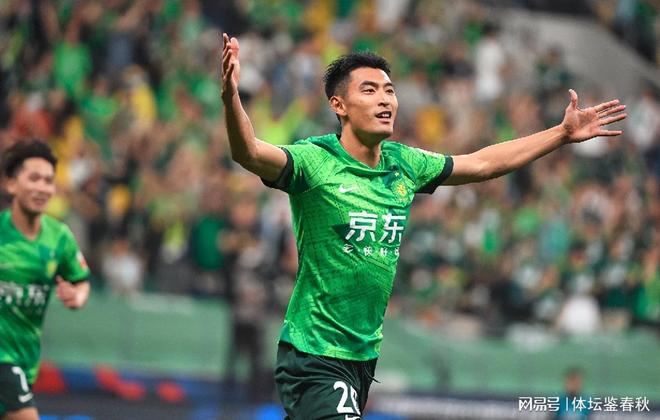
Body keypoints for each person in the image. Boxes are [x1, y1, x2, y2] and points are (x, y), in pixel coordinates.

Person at [220, 33, 627, 419]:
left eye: (389, 90)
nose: (385, 99)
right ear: (339, 105)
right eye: (369, 90)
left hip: (361, 359)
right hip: (315, 353)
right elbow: (249, 153)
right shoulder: (315, 161)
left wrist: (560, 134)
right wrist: (231, 97)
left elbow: (482, 164)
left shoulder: (405, 164)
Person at [0, 140, 91, 420]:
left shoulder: (59, 237)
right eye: (34, 178)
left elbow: (81, 280)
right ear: (11, 184)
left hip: (26, 360)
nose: (42, 188)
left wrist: (77, 297)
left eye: (48, 181)